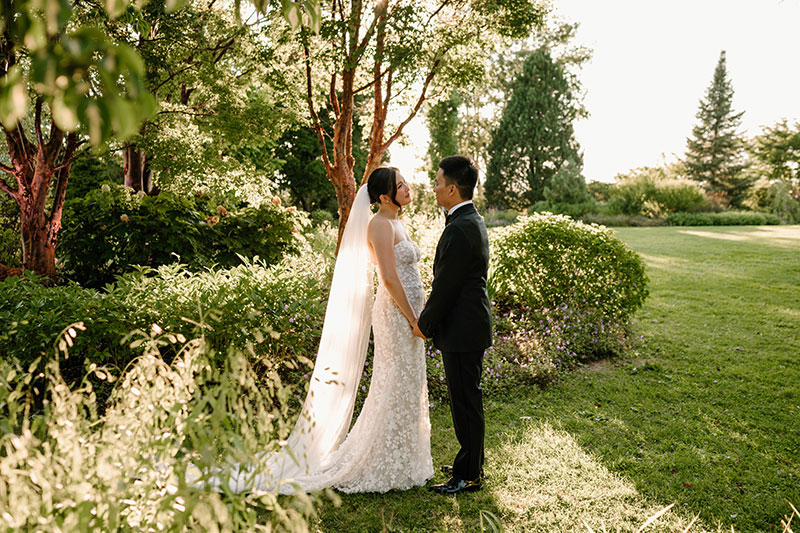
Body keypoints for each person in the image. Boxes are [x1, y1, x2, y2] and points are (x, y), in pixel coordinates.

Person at [214, 167, 433, 494]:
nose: (406, 188)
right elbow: (388, 277)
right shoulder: (380, 225)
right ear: (384, 196)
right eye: (399, 185)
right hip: (398, 316)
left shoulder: (397, 222)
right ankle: (382, 460)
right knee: (395, 381)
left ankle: (401, 457)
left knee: (408, 381)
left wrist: (422, 312)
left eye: (404, 182)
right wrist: (414, 319)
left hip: (411, 315)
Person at [413, 155, 492, 495]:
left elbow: (446, 286)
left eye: (437, 182)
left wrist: (424, 325)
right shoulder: (467, 219)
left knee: (465, 402)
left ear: (452, 189)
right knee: (465, 400)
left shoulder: (461, 227)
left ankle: (469, 475)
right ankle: (470, 462)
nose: (433, 188)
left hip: (463, 329)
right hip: (467, 326)